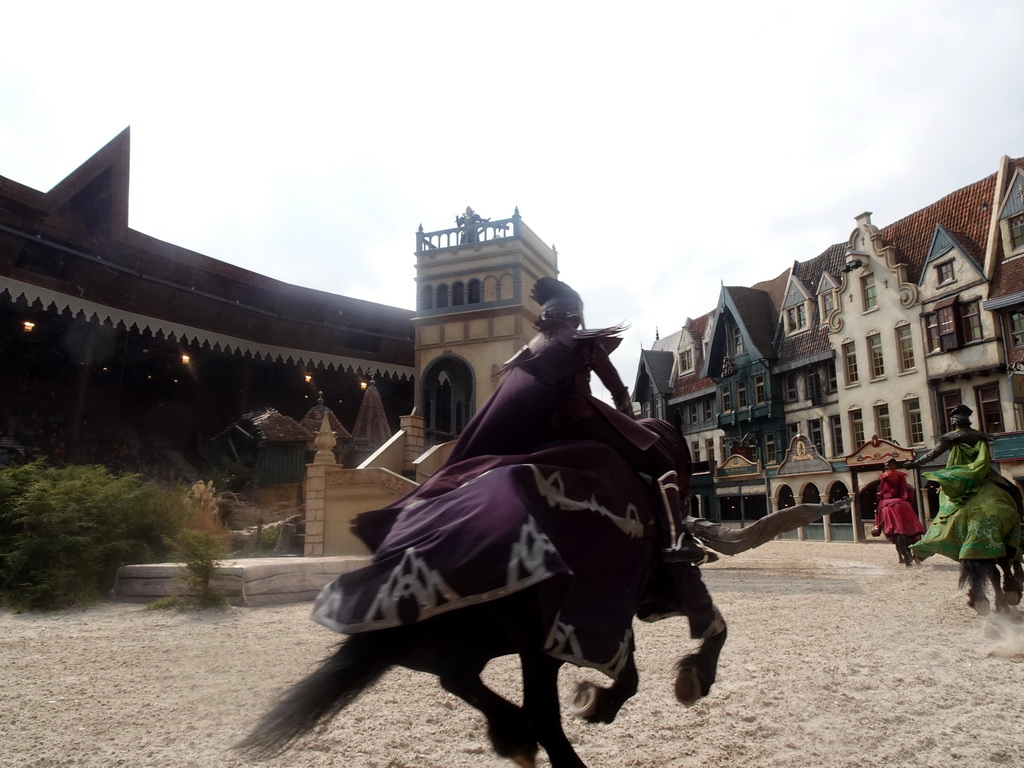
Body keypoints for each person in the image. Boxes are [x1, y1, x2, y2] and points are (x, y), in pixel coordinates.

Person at [906, 404, 1022, 564]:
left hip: (959, 476)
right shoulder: (980, 436)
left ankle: (933, 539)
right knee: (1014, 491)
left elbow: (933, 454)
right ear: (968, 421)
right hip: (984, 475)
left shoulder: (952, 437)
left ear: (954, 422)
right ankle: (1021, 531)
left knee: (946, 507)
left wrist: (915, 463)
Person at [870, 459, 925, 567]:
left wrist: (880, 493)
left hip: (888, 502)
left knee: (878, 510)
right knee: (909, 511)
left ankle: (877, 527)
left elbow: (883, 489)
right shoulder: (900, 475)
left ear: (887, 466)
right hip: (901, 501)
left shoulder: (884, 476)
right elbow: (905, 489)